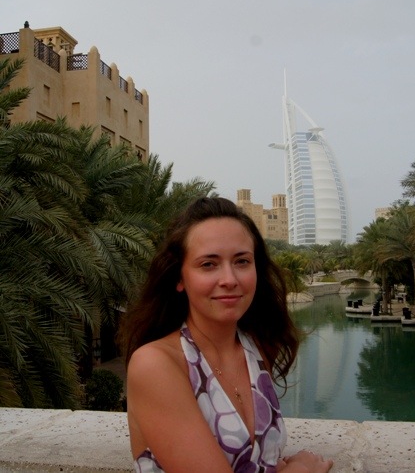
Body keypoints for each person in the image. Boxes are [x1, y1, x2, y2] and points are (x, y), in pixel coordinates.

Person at [120, 197, 333, 473]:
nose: (230, 279)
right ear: (180, 278)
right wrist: (301, 469)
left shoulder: (257, 349)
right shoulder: (156, 364)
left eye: (242, 261)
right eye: (209, 264)